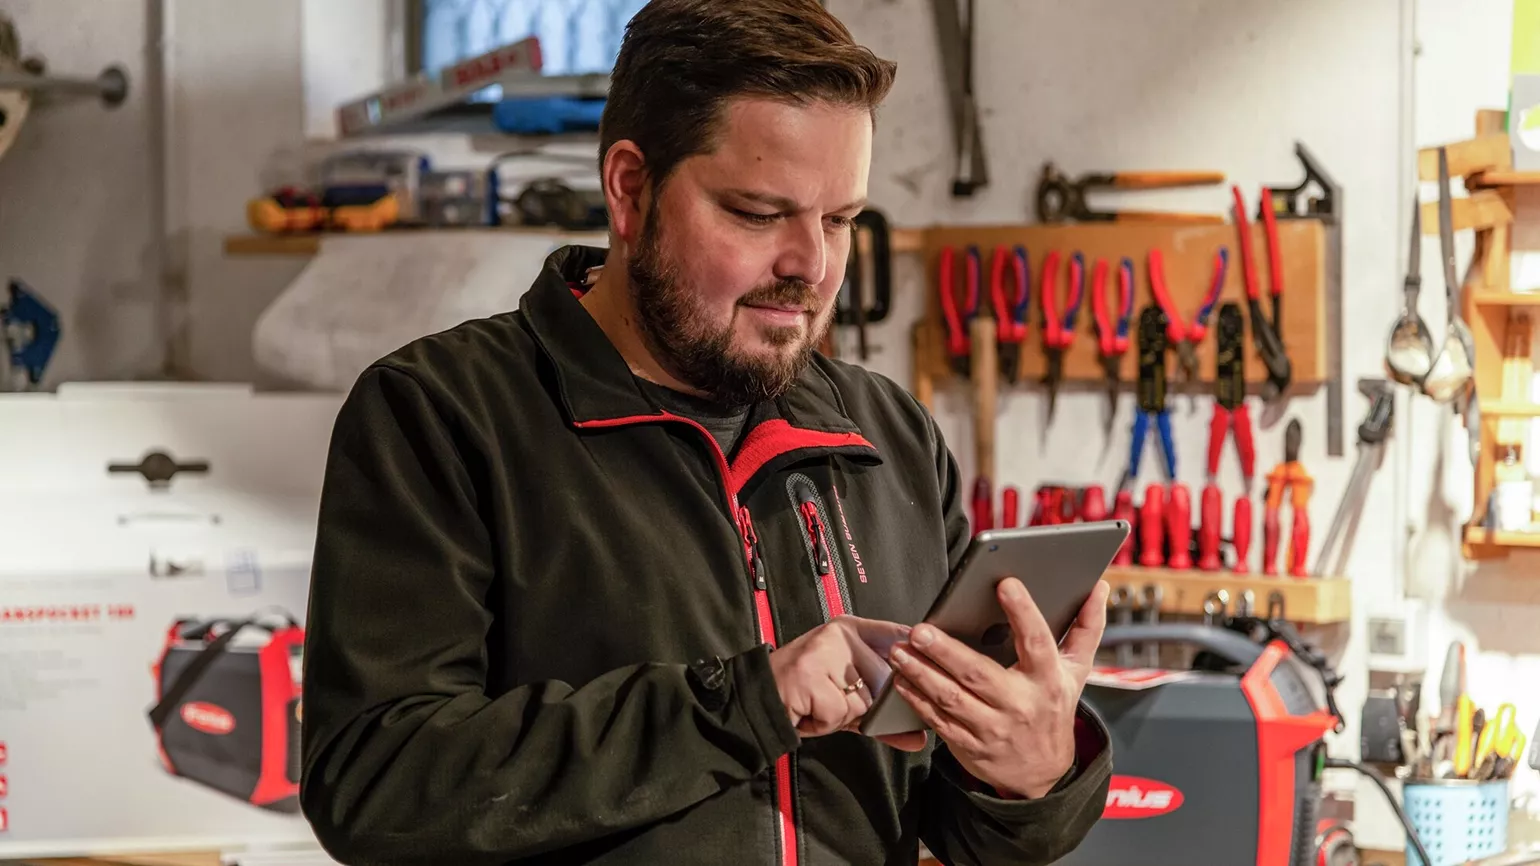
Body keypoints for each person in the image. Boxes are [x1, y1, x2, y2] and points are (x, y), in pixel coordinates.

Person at [298, 1, 1114, 863]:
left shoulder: (888, 435)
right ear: (629, 190)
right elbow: (373, 785)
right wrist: (747, 703)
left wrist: (1032, 774)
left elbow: (957, 827)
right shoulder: (444, 417)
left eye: (839, 220)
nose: (813, 265)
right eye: (760, 214)